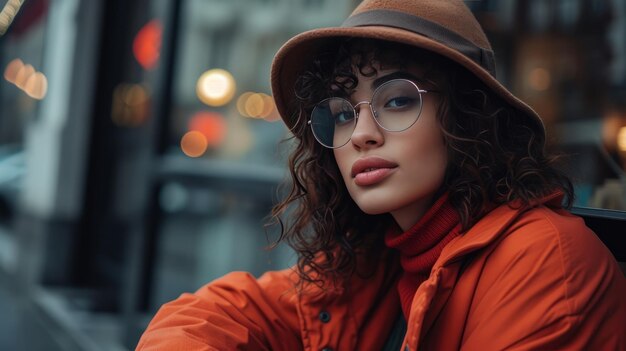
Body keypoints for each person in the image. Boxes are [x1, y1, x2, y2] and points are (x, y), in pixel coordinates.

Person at [137, 0, 626, 350]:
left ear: (467, 118)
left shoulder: (546, 260)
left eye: (396, 101)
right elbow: (215, 314)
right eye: (343, 113)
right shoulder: (372, 263)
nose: (362, 135)